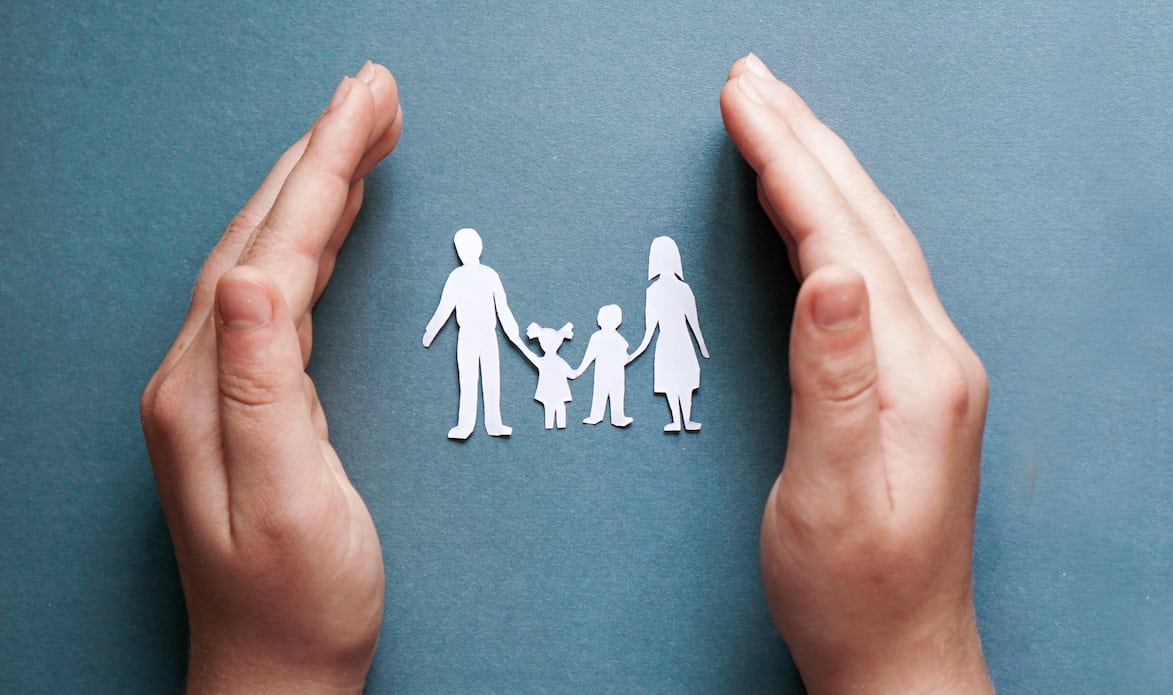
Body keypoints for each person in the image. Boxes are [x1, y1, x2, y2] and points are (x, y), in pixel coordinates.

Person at [140, 55, 993, 694]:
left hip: (610, 362)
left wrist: (271, 664)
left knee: (656, 385)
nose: (471, 254)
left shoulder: (520, 286)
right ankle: (491, 409)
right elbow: (467, 319)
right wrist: (906, 652)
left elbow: (599, 324)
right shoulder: (471, 280)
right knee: (493, 387)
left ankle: (517, 406)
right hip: (556, 363)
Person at [423, 227, 533, 439]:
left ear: (477, 248)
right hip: (467, 336)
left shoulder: (488, 275)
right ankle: (465, 427)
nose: (463, 252)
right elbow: (445, 308)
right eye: (460, 248)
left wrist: (512, 331)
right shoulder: (457, 276)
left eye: (465, 247)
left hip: (487, 335)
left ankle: (494, 424)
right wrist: (430, 333)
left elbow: (502, 306)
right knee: (469, 380)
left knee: (491, 379)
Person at [628, 236, 710, 432]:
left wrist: (703, 348)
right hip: (676, 341)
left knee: (681, 380)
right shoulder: (670, 290)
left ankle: (683, 420)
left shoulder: (660, 291)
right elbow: (652, 329)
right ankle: (679, 420)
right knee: (677, 380)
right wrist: (636, 352)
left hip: (673, 341)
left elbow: (692, 322)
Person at [572, 304, 634, 428]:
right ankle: (596, 416)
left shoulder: (618, 339)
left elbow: (624, 357)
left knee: (616, 394)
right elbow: (589, 355)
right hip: (605, 372)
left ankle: (618, 417)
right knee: (600, 392)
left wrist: (626, 358)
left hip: (616, 373)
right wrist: (579, 370)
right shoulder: (598, 337)